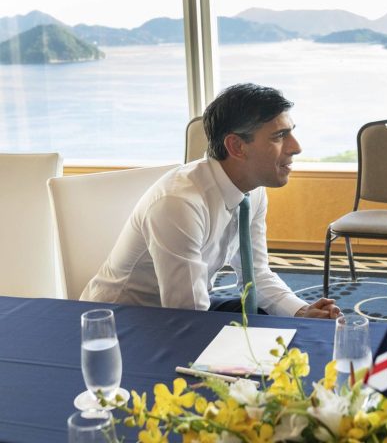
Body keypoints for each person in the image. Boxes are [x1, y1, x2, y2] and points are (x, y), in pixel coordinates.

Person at [81, 83, 340, 319]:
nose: (296, 147)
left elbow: (255, 276)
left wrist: (300, 311)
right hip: (123, 319)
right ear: (237, 147)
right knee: (260, 330)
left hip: (182, 308)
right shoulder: (178, 204)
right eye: (279, 136)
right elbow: (188, 316)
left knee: (266, 317)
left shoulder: (253, 191)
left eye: (291, 133)